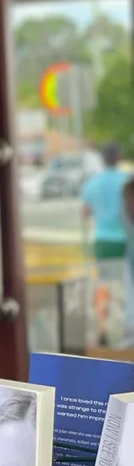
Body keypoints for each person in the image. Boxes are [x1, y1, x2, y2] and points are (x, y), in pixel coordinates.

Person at [82, 144, 132, 345]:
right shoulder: (126, 181)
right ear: (119, 158)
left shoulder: (92, 183)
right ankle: (119, 334)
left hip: (102, 240)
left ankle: (101, 328)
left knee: (104, 286)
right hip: (124, 241)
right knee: (123, 288)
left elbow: (85, 212)